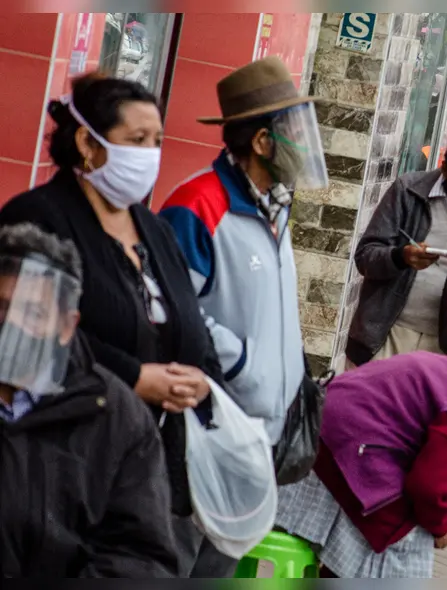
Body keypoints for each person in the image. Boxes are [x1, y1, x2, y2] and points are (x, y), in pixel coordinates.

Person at [0, 73, 230, 577]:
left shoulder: (154, 229)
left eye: (156, 142)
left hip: (157, 461)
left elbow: (191, 320)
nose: (149, 154)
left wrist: (202, 376)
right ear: (87, 142)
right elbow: (30, 329)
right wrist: (132, 377)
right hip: (64, 456)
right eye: (136, 140)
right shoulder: (39, 218)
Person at [276, 327, 447, 577]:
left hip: (319, 431)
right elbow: (428, 488)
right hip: (343, 451)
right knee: (407, 542)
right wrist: (442, 526)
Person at [160, 57, 321, 451]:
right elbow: (171, 306)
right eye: (294, 131)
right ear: (263, 141)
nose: (304, 141)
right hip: (217, 422)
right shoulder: (197, 206)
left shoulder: (275, 203)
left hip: (267, 426)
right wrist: (242, 365)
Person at [0, 223, 177, 577]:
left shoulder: (116, 418)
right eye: (2, 306)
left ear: (67, 326)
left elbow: (140, 558)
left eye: (33, 314)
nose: (11, 325)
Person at [328, 135, 447, 367]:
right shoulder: (408, 192)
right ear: (445, 170)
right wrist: (401, 257)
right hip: (386, 335)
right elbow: (366, 256)